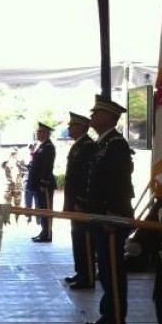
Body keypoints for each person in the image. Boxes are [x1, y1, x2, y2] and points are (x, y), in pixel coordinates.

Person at [84, 96, 134, 324]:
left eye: (97, 113)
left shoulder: (116, 145)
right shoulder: (104, 144)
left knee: (113, 272)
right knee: (104, 269)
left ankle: (115, 323)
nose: (92, 116)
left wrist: (112, 214)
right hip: (100, 216)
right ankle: (108, 315)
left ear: (108, 117)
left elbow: (119, 183)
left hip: (111, 217)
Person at [63, 112, 97, 289]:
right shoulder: (78, 146)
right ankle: (81, 271)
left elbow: (86, 178)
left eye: (72, 125)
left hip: (81, 203)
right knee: (77, 237)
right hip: (74, 201)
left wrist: (81, 202)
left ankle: (88, 276)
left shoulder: (88, 146)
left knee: (85, 239)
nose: (69, 128)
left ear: (83, 127)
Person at [28, 123, 56, 243]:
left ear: (46, 133)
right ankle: (44, 231)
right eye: (37, 131)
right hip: (38, 184)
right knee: (42, 209)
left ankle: (48, 234)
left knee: (46, 210)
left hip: (44, 185)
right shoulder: (42, 146)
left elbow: (47, 166)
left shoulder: (49, 147)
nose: (37, 133)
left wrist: (44, 183)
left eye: (40, 132)